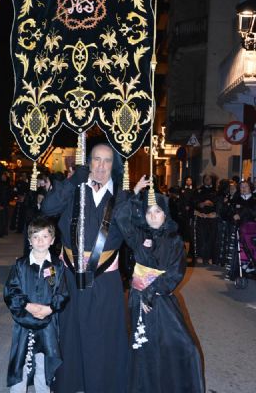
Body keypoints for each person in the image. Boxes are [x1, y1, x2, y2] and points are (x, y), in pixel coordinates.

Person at [42, 143, 128, 393]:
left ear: (115, 165)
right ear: (88, 162)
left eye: (107, 161)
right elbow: (47, 209)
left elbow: (137, 237)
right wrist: (70, 183)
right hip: (70, 276)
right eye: (96, 160)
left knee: (101, 337)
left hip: (105, 279)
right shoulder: (74, 191)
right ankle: (71, 383)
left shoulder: (123, 197)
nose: (101, 166)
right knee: (70, 334)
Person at [115, 175, 205, 393]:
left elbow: (175, 272)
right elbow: (120, 217)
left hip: (161, 300)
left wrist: (152, 290)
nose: (153, 216)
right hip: (138, 300)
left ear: (165, 214)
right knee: (143, 347)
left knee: (185, 346)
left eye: (157, 212)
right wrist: (134, 192)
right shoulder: (138, 236)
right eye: (149, 212)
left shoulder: (174, 239)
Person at [4, 216, 68, 393]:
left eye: (45, 236)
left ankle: (43, 389)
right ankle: (18, 390)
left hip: (47, 322)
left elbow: (62, 292)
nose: (40, 241)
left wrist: (50, 308)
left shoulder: (57, 266)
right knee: (22, 360)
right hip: (24, 322)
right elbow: (12, 290)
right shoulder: (21, 265)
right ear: (29, 240)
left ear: (52, 240)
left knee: (43, 360)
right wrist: (27, 306)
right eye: (36, 237)